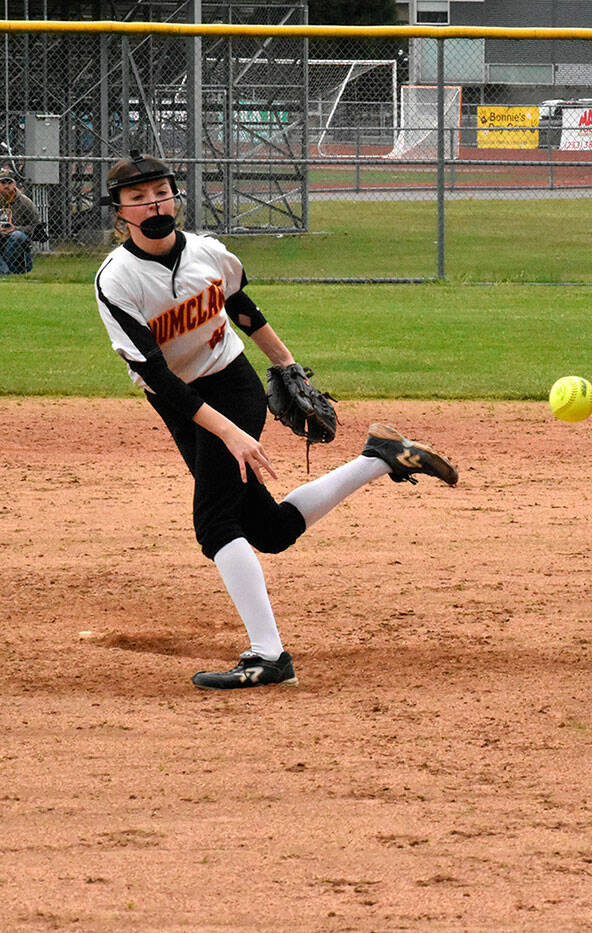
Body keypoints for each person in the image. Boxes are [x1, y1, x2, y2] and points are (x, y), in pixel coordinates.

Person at [94, 151, 459, 690]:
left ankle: (270, 656)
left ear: (176, 195)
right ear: (119, 211)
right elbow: (161, 381)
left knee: (215, 525)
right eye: (138, 197)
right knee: (269, 531)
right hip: (182, 401)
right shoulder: (117, 281)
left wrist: (286, 364)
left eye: (162, 191)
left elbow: (243, 308)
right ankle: (379, 458)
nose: (154, 203)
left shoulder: (209, 253)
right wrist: (228, 433)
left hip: (231, 382)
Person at [0, 165, 38, 274]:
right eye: (3, 183)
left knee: (18, 236)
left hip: (14, 241)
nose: (6, 186)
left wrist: (15, 228)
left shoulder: (26, 202)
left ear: (15, 184)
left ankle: (5, 272)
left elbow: (36, 228)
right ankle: (5, 272)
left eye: (9, 182)